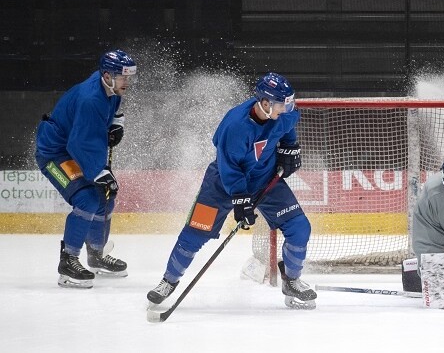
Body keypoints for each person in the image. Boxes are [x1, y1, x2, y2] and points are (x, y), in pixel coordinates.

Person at [146, 72, 317, 310]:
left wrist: (290, 146)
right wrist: (240, 197)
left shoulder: (282, 115)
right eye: (282, 104)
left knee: (299, 228)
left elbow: (287, 126)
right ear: (265, 103)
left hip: (265, 181)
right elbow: (228, 167)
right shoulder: (234, 126)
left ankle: (292, 281)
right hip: (221, 185)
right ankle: (168, 281)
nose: (287, 109)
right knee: (194, 235)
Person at [35, 49, 136, 288]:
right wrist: (99, 173)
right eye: (123, 77)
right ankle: (68, 263)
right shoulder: (90, 99)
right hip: (56, 154)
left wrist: (116, 123)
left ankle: (96, 255)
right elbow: (80, 144)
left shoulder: (109, 86)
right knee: (88, 199)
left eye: (128, 77)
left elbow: (114, 106)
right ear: (107, 75)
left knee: (107, 197)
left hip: (74, 149)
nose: (127, 82)